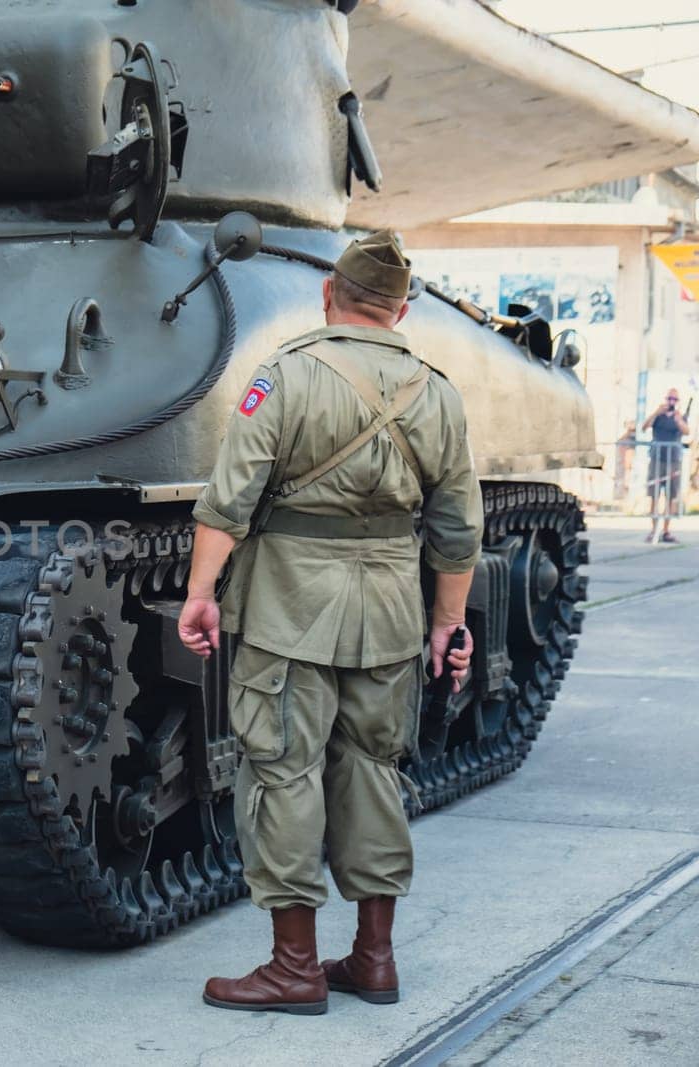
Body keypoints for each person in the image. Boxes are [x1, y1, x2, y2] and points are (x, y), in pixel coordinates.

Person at [177, 230, 481, 1015]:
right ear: (401, 307)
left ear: (328, 295)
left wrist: (200, 592)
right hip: (388, 608)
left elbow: (229, 500)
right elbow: (458, 530)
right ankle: (374, 958)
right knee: (375, 769)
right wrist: (448, 623)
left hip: (289, 607)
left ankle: (294, 967)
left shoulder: (285, 376)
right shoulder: (437, 391)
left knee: (282, 768)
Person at [642, 390, 689, 543]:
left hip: (673, 460)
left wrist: (678, 420)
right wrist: (656, 412)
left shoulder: (680, 416)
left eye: (675, 399)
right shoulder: (658, 416)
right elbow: (644, 427)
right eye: (669, 398)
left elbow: (686, 432)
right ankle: (653, 530)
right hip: (657, 459)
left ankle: (666, 531)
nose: (671, 401)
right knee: (654, 496)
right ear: (665, 399)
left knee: (670, 497)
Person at [614, 421, 637, 505]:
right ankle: (622, 499)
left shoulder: (631, 439)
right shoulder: (624, 439)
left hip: (628, 466)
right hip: (625, 465)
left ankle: (625, 499)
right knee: (624, 480)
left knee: (627, 480)